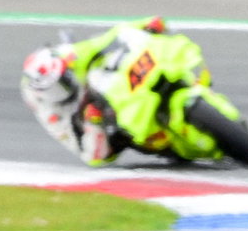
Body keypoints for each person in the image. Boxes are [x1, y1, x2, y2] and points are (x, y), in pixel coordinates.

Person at [20, 16, 172, 166]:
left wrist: (146, 25)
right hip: (98, 115)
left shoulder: (69, 57)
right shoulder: (53, 115)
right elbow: (91, 157)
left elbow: (109, 38)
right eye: (57, 88)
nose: (66, 86)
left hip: (105, 81)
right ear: (43, 94)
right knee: (122, 139)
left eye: (65, 78)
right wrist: (94, 123)